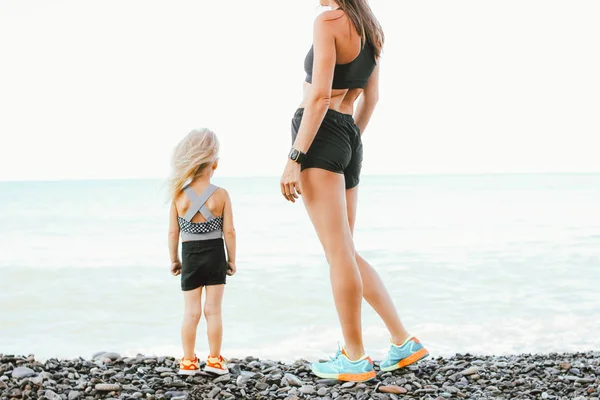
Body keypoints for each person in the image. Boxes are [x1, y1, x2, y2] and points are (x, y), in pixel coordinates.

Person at [280, 0, 428, 382]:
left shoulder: (328, 21)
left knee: (338, 252)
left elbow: (317, 96)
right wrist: (349, 142)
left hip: (321, 134)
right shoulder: (372, 29)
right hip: (348, 133)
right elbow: (371, 98)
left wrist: (296, 156)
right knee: (345, 249)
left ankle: (355, 357)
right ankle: (402, 341)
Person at [167, 128, 236, 376]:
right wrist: (232, 260)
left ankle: (188, 362)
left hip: (190, 255)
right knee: (213, 311)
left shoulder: (178, 196)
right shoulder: (222, 195)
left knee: (191, 311)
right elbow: (229, 232)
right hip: (216, 254)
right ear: (214, 164)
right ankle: (215, 361)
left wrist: (174, 260)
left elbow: (173, 233)